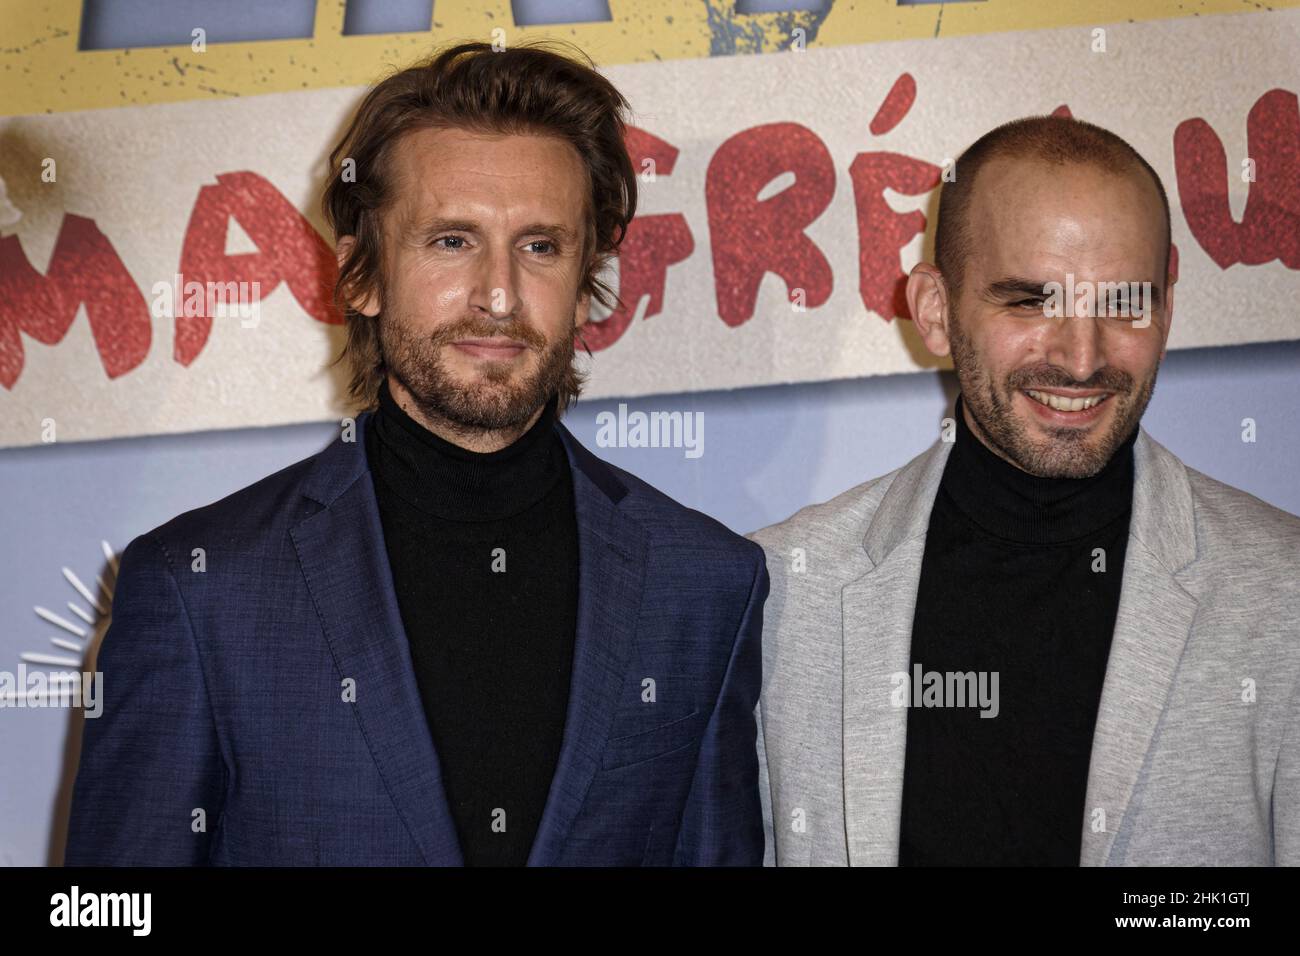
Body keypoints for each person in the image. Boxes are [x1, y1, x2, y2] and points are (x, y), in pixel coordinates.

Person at [66, 40, 767, 867]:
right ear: (360, 273)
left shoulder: (704, 584)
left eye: (541, 246)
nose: (499, 294)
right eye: (450, 241)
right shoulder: (200, 591)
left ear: (587, 284)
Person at [751, 114, 1300, 866]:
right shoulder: (781, 591)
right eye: (1030, 301)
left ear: (1166, 309)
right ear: (936, 312)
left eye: (1121, 304)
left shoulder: (1283, 593)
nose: (1081, 358)